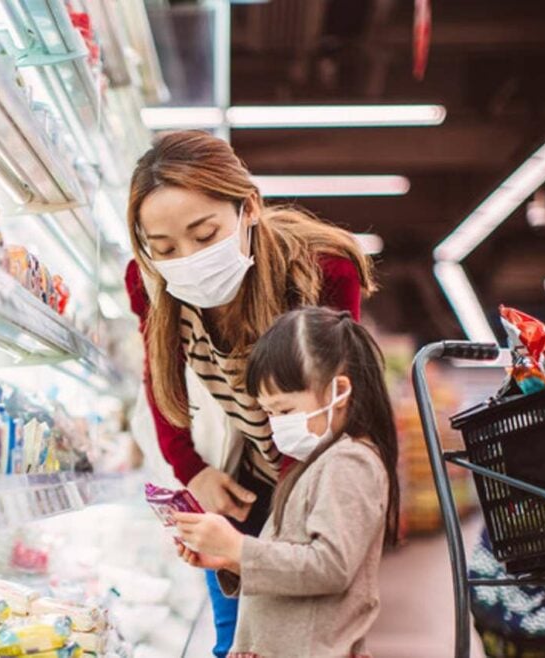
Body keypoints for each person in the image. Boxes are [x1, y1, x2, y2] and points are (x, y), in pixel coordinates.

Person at [124, 130, 375, 655]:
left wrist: (273, 543)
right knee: (234, 640)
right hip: (246, 479)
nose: (186, 258)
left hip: (308, 472)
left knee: (299, 633)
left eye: (206, 233)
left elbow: (331, 407)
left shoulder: (322, 269)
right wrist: (192, 470)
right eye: (165, 247)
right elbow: (161, 381)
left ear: (250, 207)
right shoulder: (147, 281)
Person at [172, 307, 401, 658]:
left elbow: (330, 566)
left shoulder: (350, 462)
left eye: (285, 411)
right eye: (269, 412)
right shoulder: (320, 462)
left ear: (339, 391)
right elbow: (298, 564)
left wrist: (238, 547)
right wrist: (230, 561)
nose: (276, 424)